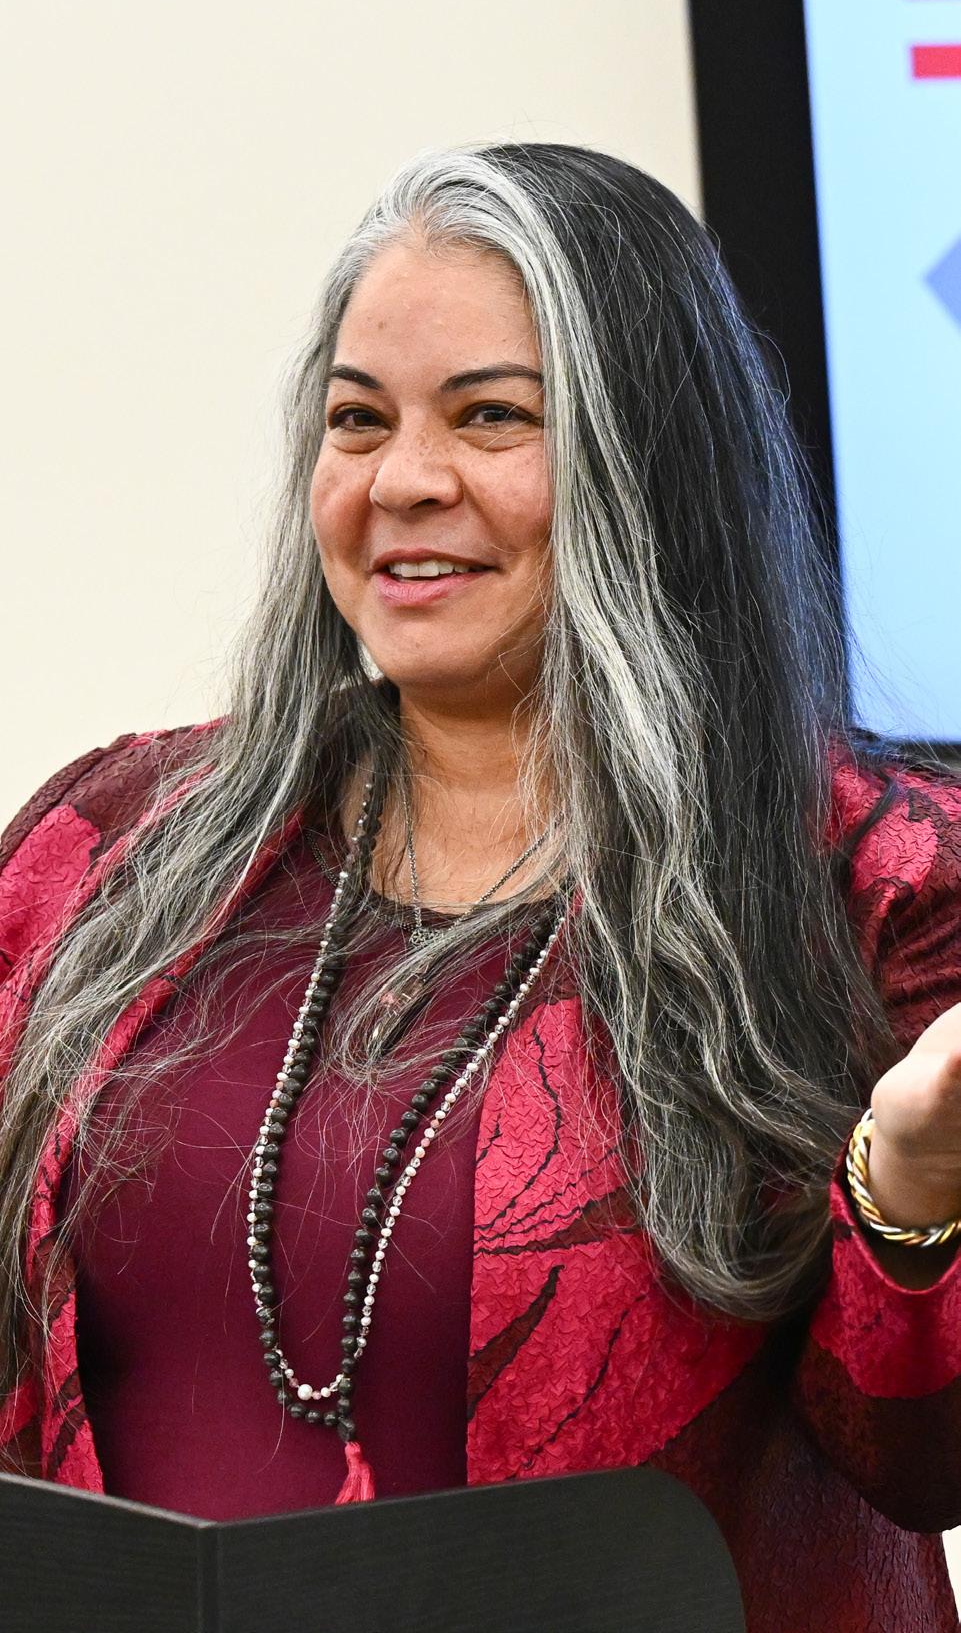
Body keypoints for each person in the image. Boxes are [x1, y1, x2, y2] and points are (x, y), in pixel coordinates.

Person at [2, 141, 961, 1632]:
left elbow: (926, 1462)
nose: (404, 481)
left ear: (650, 458)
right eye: (357, 420)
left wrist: (911, 1187)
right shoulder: (111, 847)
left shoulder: (878, 883)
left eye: (490, 416)